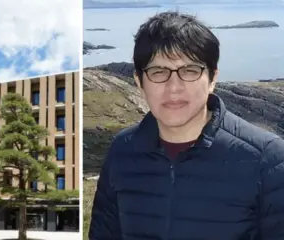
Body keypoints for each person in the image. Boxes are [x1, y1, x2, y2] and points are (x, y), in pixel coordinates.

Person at [88, 11, 284, 240]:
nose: (174, 87)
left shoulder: (266, 159)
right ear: (139, 82)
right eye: (158, 72)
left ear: (212, 79)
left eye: (189, 71)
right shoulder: (122, 150)